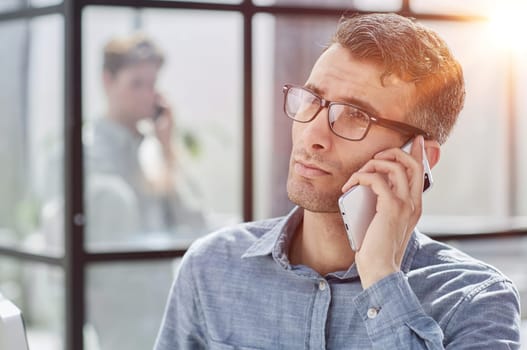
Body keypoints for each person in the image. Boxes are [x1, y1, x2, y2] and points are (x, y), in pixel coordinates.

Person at [154, 13, 521, 349]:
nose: (312, 134)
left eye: (355, 115)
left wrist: (381, 276)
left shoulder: (475, 300)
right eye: (312, 99)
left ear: (418, 158)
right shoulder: (212, 267)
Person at [83, 34, 206, 350]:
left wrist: (166, 147)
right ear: (107, 81)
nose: (147, 95)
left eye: (152, 84)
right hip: (122, 318)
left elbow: (194, 223)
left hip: (165, 306)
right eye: (136, 83)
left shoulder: (153, 151)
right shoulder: (86, 155)